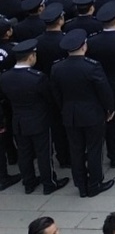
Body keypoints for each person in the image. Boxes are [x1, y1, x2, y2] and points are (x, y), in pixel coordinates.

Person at [50, 29, 115, 197]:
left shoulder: (57, 68)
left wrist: (64, 108)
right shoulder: (92, 66)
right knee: (94, 149)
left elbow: (56, 93)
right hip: (92, 114)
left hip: (70, 114)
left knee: (76, 150)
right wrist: (109, 108)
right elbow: (104, 90)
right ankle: (95, 183)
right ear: (84, 46)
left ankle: (81, 185)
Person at [0, 40, 69, 195]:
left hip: (18, 120)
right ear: (31, 57)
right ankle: (49, 183)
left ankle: (29, 182)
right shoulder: (38, 77)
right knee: (44, 153)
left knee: (24, 153)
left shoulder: (5, 77)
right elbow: (49, 98)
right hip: (39, 120)